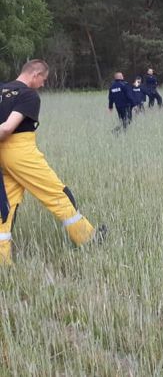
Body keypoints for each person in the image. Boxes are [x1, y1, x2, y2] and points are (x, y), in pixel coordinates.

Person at [0, 60, 106, 265]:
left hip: (2, 157)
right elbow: (6, 128)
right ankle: (87, 239)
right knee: (56, 193)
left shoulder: (2, 89)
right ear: (35, 74)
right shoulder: (28, 95)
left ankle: (3, 260)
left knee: (6, 205)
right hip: (20, 153)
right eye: (43, 80)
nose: (43, 84)